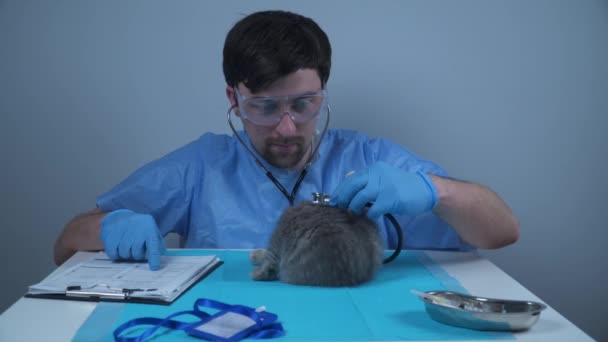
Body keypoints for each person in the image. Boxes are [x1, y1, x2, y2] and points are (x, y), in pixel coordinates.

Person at [54, 10, 519, 270]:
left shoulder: (369, 157)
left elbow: (502, 230)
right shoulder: (202, 166)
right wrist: (112, 230)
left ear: (323, 93)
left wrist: (432, 191)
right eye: (264, 106)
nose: (286, 128)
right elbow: (65, 243)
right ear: (233, 98)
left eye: (302, 104)